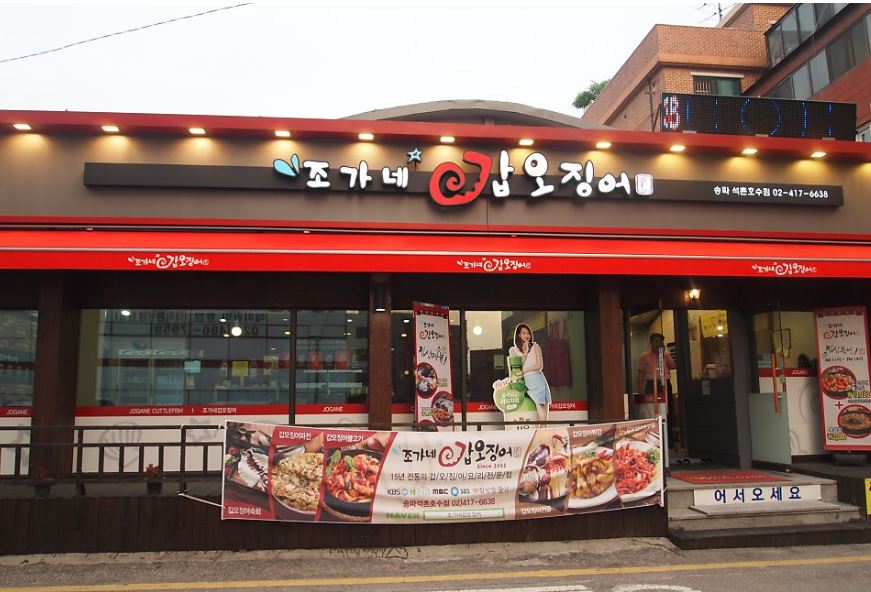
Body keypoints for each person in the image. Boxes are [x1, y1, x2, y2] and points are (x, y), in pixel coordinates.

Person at [509, 323, 551, 424]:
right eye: (524, 333)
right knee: (539, 405)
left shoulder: (535, 346)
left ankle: (544, 430)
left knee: (544, 405)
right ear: (518, 335)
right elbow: (517, 368)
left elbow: (539, 366)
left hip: (539, 378)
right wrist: (525, 352)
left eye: (528, 333)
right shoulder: (513, 350)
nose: (527, 336)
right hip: (529, 380)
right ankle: (543, 430)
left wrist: (525, 370)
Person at [637, 332, 676, 417]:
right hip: (651, 384)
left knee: (667, 407)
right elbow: (640, 374)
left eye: (660, 342)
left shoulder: (666, 355)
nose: (658, 344)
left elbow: (673, 366)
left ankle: (668, 423)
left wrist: (664, 354)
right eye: (656, 341)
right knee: (651, 407)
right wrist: (640, 391)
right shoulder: (644, 356)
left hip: (665, 383)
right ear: (651, 343)